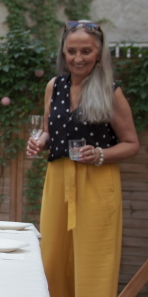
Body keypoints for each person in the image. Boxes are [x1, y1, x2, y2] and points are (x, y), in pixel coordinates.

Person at [27, 20, 139, 296]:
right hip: (58, 180)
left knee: (94, 259)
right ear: (63, 53)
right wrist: (39, 141)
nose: (78, 58)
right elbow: (48, 130)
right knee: (53, 257)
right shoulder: (54, 86)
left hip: (97, 182)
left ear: (99, 53)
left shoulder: (110, 91)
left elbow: (131, 144)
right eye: (72, 51)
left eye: (86, 51)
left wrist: (100, 154)